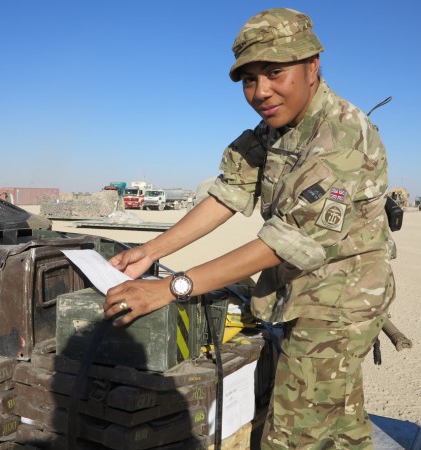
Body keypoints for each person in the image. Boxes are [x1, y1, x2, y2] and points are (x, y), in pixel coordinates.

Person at [103, 7, 395, 449]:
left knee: (291, 436)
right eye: (250, 79)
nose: (261, 91)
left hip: (336, 304)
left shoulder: (340, 138)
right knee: (339, 423)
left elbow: (284, 244)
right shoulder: (275, 128)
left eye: (276, 72)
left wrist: (170, 288)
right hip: (300, 291)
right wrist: (151, 251)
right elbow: (228, 193)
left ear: (312, 66)